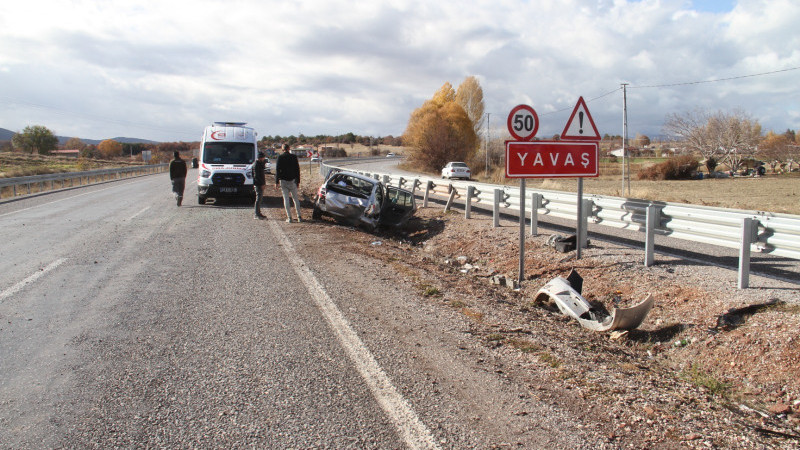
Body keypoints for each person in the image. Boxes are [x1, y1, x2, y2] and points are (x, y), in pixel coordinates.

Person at [275, 144, 302, 223]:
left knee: (286, 199)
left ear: (282, 149)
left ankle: (289, 218)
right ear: (289, 148)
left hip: (283, 181)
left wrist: (276, 182)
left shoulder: (280, 157)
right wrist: (298, 181)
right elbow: (297, 170)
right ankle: (299, 216)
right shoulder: (294, 157)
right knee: (295, 199)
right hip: (292, 180)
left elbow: (277, 170)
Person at [253, 152, 267, 219]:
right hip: (258, 184)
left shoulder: (259, 164)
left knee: (259, 199)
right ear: (261, 157)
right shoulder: (256, 165)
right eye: (263, 157)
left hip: (260, 184)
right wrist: (262, 184)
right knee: (258, 199)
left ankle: (258, 213)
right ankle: (256, 214)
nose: (264, 158)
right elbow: (257, 176)